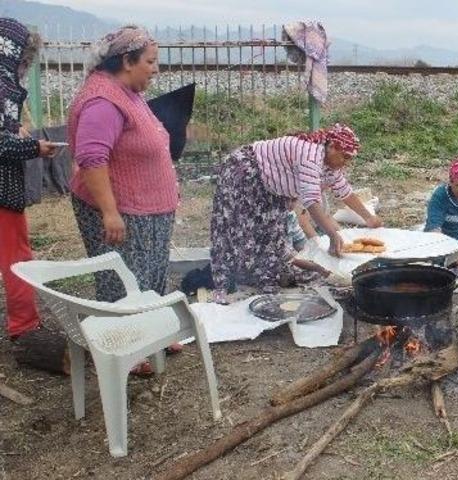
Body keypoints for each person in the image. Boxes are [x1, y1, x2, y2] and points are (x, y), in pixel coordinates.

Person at [67, 26, 180, 374]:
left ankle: (154, 332)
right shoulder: (102, 101)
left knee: (151, 272)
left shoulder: (127, 91)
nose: (156, 69)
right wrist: (110, 212)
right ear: (127, 61)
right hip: (121, 209)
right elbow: (91, 158)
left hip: (146, 208)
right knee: (123, 278)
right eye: (151, 61)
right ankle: (125, 347)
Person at [209, 123, 381, 304]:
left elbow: (344, 191)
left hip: (270, 186)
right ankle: (226, 284)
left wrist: (369, 218)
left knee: (272, 234)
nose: (345, 163)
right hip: (246, 172)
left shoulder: (330, 166)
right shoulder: (311, 155)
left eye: (349, 159)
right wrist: (332, 233)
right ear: (332, 147)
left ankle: (264, 278)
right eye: (344, 157)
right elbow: (311, 200)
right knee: (241, 230)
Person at [0, 18, 58, 340]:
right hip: (2, 190)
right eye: (24, 61)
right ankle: (24, 327)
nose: (24, 70)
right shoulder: (2, 86)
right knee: (16, 259)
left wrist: (14, 129)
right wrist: (34, 147)